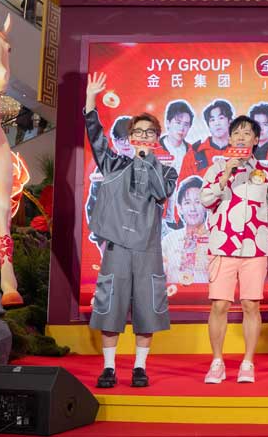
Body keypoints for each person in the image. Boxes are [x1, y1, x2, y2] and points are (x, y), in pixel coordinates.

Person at [84, 72, 178, 389]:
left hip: (148, 249)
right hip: (117, 248)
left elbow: (161, 192)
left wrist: (148, 160)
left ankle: (140, 367)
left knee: (147, 309)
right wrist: (90, 99)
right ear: (130, 137)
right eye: (138, 132)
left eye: (149, 133)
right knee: (110, 306)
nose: (143, 136)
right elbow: (96, 137)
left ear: (156, 138)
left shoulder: (167, 170)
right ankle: (109, 368)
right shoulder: (113, 164)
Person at [200, 115, 268, 384]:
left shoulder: (266, 174)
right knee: (219, 305)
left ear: (256, 140)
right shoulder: (216, 169)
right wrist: (226, 173)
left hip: (255, 247)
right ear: (229, 138)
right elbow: (205, 200)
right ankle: (217, 362)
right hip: (222, 246)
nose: (241, 137)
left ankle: (248, 362)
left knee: (251, 304)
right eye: (237, 133)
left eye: (247, 134)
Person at [85, 115, 134, 254]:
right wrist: (101, 240)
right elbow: (93, 205)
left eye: (129, 138)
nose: (125, 143)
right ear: (114, 141)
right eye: (121, 139)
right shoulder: (106, 166)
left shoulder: (148, 166)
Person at [162, 176, 209, 285]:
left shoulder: (215, 240)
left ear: (206, 205)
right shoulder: (169, 240)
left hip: (205, 294)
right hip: (173, 293)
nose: (193, 209)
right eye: (187, 202)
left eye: (198, 202)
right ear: (180, 207)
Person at [179, 99, 233, 180]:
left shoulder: (241, 151)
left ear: (230, 121)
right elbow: (183, 186)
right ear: (208, 126)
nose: (217, 123)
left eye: (221, 118)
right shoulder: (194, 153)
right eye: (212, 120)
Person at [159, 100, 194, 174]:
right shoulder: (153, 150)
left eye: (186, 124)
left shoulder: (193, 151)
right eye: (178, 123)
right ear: (168, 123)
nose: (181, 128)